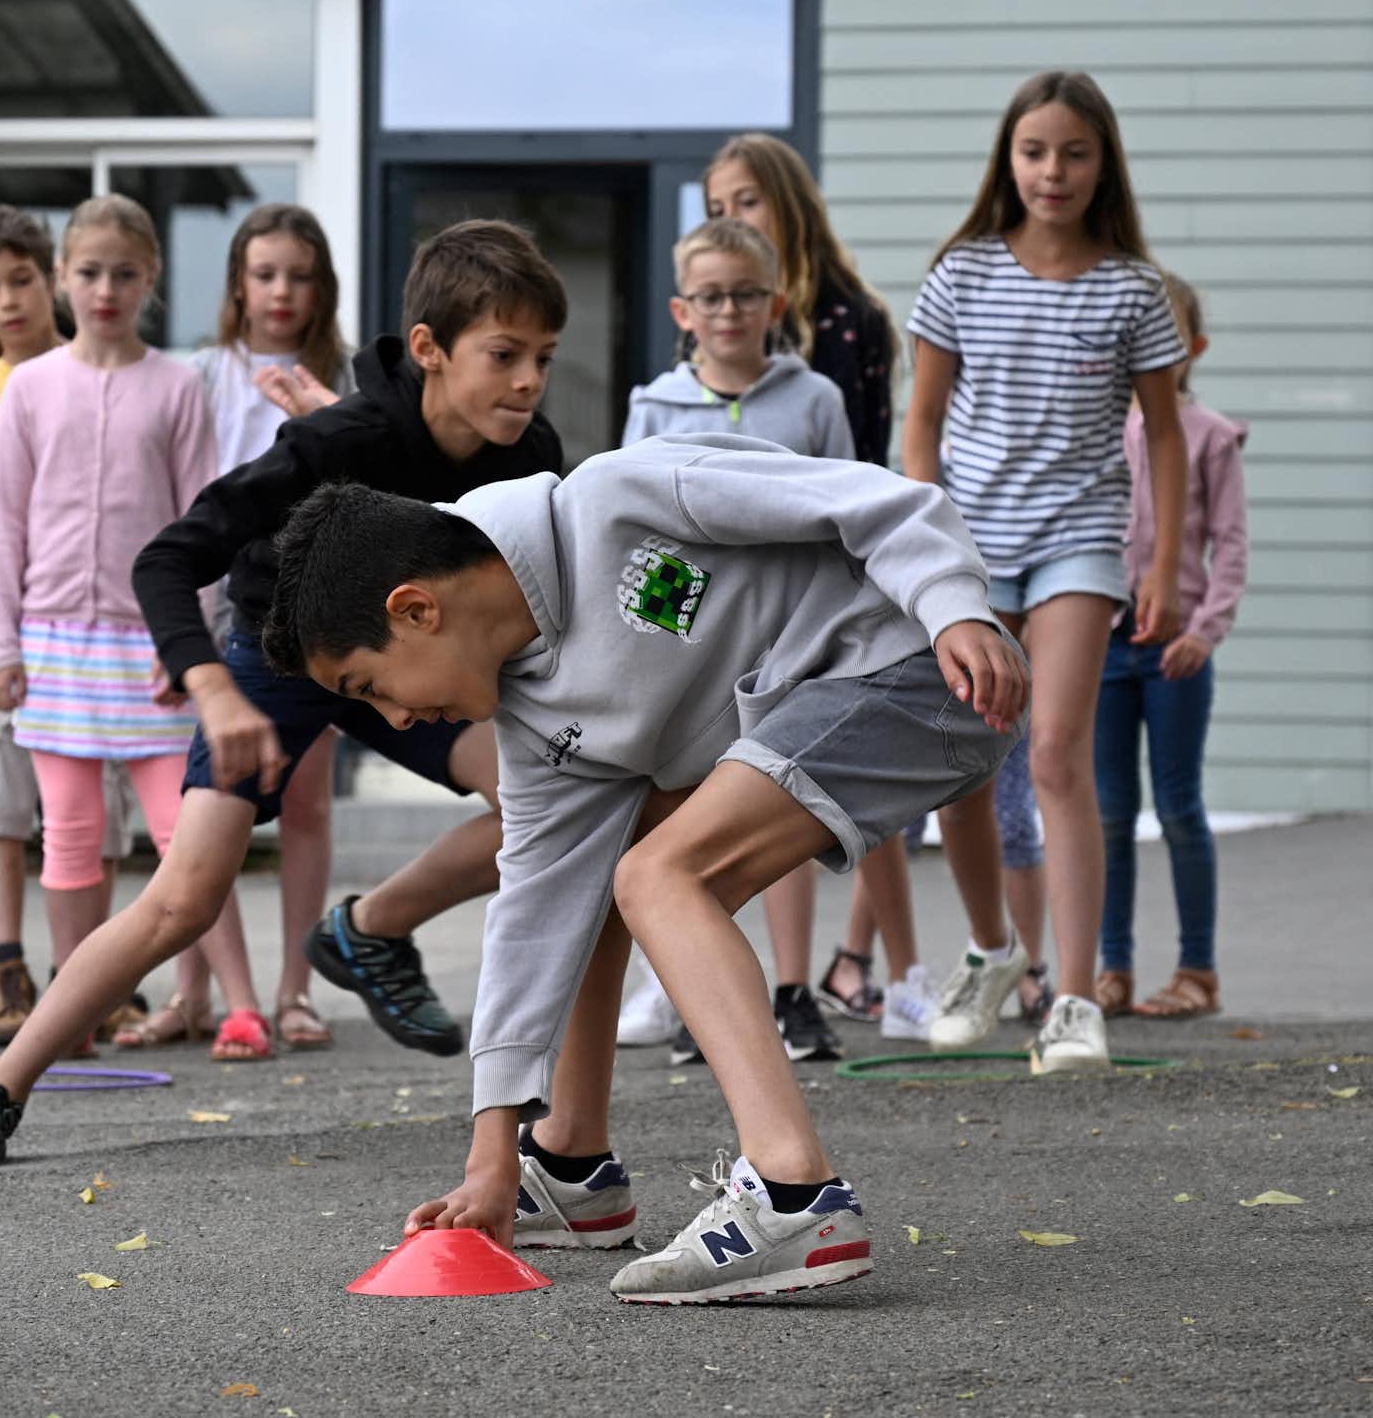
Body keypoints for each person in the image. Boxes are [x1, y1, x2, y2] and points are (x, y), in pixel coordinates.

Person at [256, 436, 1024, 1301]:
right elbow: (534, 913)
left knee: (661, 877)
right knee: (607, 873)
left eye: (369, 687)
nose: (394, 720)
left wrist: (952, 605)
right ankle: (573, 1164)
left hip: (918, 669)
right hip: (816, 719)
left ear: (415, 609)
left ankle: (795, 1196)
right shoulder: (533, 726)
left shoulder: (623, 500)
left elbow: (877, 500)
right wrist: (491, 1155)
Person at [0, 218, 567, 1169]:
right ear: (428, 349)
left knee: (542, 806)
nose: (527, 382)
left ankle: (368, 930)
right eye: (504, 356)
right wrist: (213, 686)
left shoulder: (528, 452)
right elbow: (167, 558)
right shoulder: (339, 437)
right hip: (281, 664)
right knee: (183, 899)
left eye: (544, 359)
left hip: (411, 664)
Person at [902, 69, 1189, 1067]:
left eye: (1073, 152)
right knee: (964, 762)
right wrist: (925, 550)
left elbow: (1163, 436)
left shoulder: (1131, 290)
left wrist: (1162, 565)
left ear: (1101, 162)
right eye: (1034, 152)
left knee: (1058, 755)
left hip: (1077, 539)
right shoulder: (963, 273)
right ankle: (991, 952)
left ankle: (1073, 999)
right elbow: (922, 425)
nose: (1052, 172)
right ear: (1007, 161)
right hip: (970, 544)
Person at [0, 194, 268, 1061]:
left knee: (190, 835)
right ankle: (80, 1005)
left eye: (125, 273)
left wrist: (195, 647)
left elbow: (204, 522)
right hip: (53, 641)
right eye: (91, 272)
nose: (107, 289)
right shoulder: (29, 387)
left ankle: (240, 1006)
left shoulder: (176, 386)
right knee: (67, 834)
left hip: (155, 646)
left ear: (152, 279)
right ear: (64, 277)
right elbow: (4, 527)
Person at [694, 132, 927, 1041]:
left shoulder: (845, 322)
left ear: (787, 203)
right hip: (734, 595)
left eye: (746, 200)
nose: (732, 218)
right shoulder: (710, 333)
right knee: (744, 774)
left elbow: (856, 466)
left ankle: (889, 965)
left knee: (848, 774)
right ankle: (716, 970)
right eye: (717, 206)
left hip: (825, 577)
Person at [617, 216, 851, 1067]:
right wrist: (653, 642)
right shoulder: (654, 404)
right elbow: (637, 523)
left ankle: (793, 991)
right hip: (697, 639)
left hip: (792, 630)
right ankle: (696, 997)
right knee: (690, 810)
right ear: (684, 309)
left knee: (785, 805)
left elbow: (845, 507)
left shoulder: (813, 399)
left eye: (745, 295)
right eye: (710, 297)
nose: (727, 311)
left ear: (775, 303)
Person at [122, 202, 354, 1052]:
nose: (282, 292)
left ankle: (296, 990)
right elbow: (188, 510)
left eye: (299, 275)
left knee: (303, 800)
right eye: (265, 275)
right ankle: (191, 991)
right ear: (237, 285)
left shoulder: (349, 375)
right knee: (205, 799)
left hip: (317, 613)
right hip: (224, 610)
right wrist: (180, 641)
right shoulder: (202, 376)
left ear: (321, 285)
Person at [0, 205, 139, 1047]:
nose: (8, 301)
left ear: (51, 277)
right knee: (1, 811)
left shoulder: (102, 374)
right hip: (13, 644)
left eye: (21, 280)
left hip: (102, 647)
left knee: (96, 817)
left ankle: (92, 974)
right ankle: (7, 974)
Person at [1097, 272, 1246, 1020]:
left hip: (1176, 652)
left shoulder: (1211, 437)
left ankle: (1198, 971)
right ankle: (1111, 968)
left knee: (1180, 806)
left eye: (1168, 335)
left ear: (1193, 348)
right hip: (1106, 647)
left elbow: (1231, 545)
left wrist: (1205, 630)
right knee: (1108, 814)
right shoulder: (1097, 431)